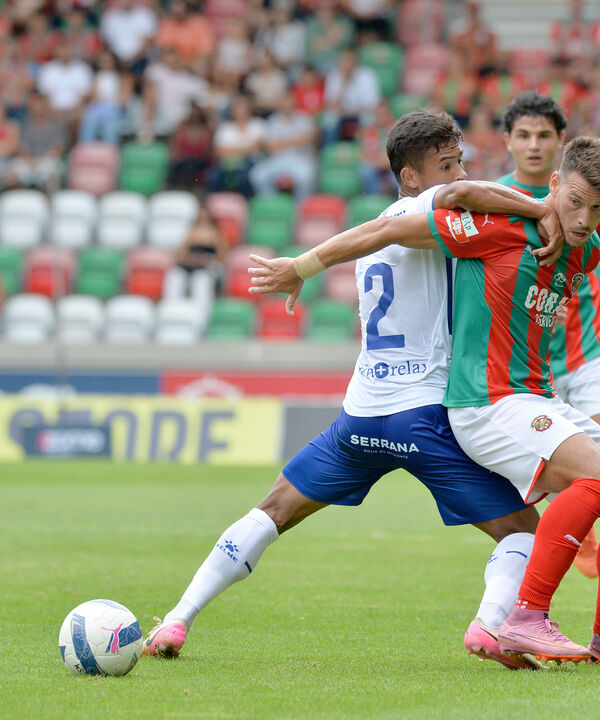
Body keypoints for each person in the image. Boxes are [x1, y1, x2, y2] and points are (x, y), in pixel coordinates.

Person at [144, 111, 566, 671]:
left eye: (459, 159)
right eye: (445, 164)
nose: (459, 173)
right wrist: (543, 207)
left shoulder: (372, 235)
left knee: (273, 510)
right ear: (410, 177)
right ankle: (491, 624)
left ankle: (178, 617)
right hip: (424, 416)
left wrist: (305, 265)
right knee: (523, 531)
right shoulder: (429, 210)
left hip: (361, 418)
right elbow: (467, 194)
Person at [259, 136, 600, 667]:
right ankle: (527, 618)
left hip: (534, 397)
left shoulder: (589, 248)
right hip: (485, 402)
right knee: (599, 475)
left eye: (597, 208)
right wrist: (303, 266)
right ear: (553, 184)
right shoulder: (496, 225)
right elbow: (392, 228)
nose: (583, 218)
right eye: (574, 201)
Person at [497, 91, 600, 617]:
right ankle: (581, 548)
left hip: (591, 346)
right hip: (529, 362)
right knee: (564, 471)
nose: (534, 144)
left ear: (560, 143)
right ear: (508, 142)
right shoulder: (494, 199)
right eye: (524, 135)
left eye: (545, 135)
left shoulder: (586, 196)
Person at [162, 206, 226, 311]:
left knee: (200, 279)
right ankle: (171, 307)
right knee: (175, 274)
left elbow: (222, 256)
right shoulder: (191, 232)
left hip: (207, 266)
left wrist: (206, 260)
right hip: (191, 264)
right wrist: (191, 259)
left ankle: (201, 309)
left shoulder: (216, 234)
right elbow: (182, 253)